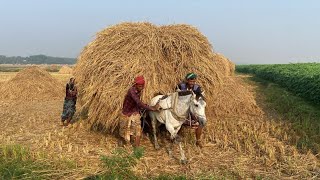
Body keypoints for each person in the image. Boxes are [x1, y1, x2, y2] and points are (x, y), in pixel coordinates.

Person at [119, 76, 160, 147]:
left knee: (138, 129)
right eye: (139, 86)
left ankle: (137, 148)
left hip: (134, 112)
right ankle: (124, 143)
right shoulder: (131, 91)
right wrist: (151, 108)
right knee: (124, 131)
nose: (141, 87)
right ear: (135, 85)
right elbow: (138, 102)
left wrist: (138, 110)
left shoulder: (139, 91)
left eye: (142, 86)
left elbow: (138, 104)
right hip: (126, 113)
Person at [176, 72, 206, 148]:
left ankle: (198, 140)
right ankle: (176, 137)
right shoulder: (181, 86)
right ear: (187, 80)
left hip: (192, 107)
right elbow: (176, 96)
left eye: (193, 81)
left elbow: (199, 97)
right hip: (182, 106)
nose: (192, 83)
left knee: (200, 123)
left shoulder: (197, 88)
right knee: (179, 120)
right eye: (190, 81)